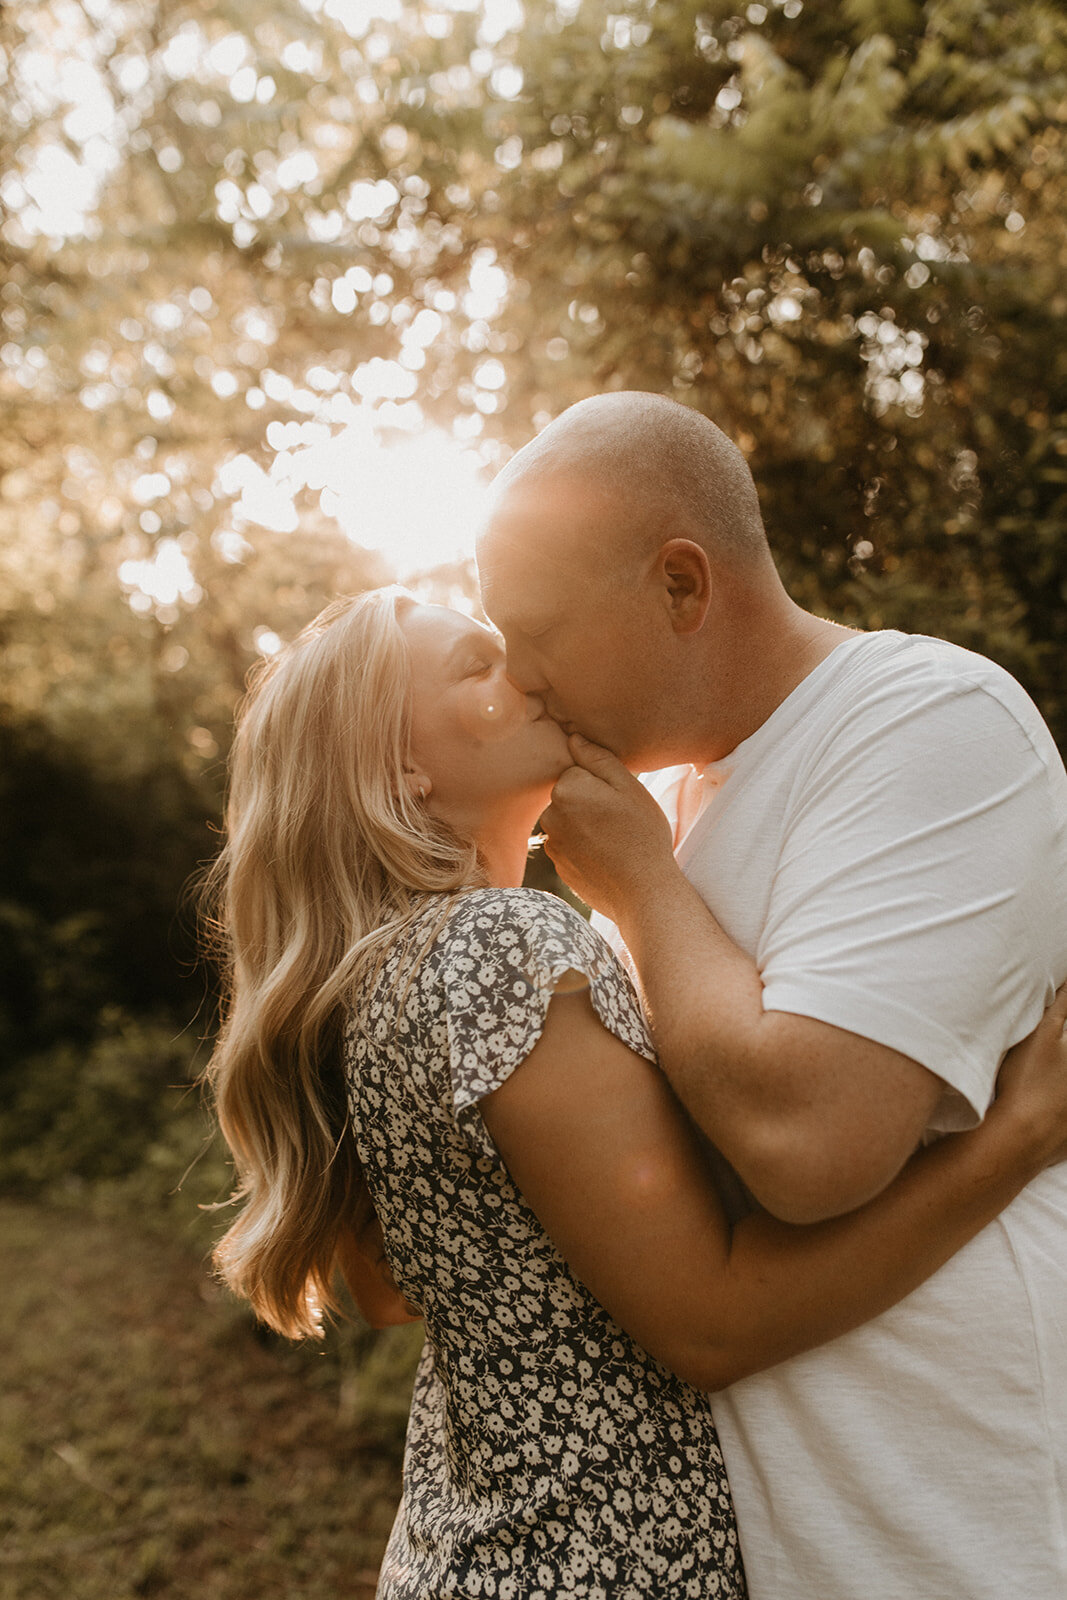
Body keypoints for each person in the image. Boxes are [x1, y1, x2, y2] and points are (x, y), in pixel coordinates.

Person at [202, 585, 1067, 1600]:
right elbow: (712, 1326)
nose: (525, 670)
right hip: (599, 1562)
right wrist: (1017, 1136)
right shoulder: (505, 947)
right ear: (399, 770)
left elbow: (394, 1290)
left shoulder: (375, 979)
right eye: (477, 665)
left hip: (476, 1548)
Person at [476, 390, 1067, 1600]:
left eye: (535, 632)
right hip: (793, 1537)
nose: (518, 680)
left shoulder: (925, 719)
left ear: (679, 585)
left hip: (964, 1522)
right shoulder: (657, 811)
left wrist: (642, 888)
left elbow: (810, 1145)